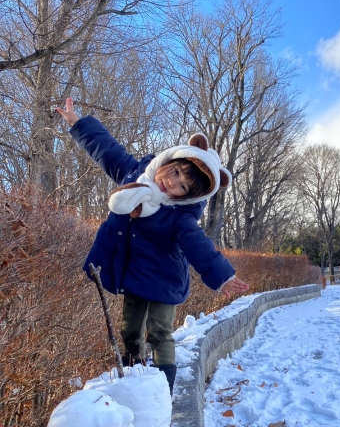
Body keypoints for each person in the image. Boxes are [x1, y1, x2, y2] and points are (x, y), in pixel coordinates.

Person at [57, 98, 249, 396]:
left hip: (166, 280)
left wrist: (222, 276)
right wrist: (76, 122)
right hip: (135, 275)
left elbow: (199, 246)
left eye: (183, 186)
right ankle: (135, 379)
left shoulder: (180, 216)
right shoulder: (134, 176)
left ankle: (162, 393)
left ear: (188, 196)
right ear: (167, 162)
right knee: (129, 331)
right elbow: (107, 149)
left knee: (159, 332)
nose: (172, 184)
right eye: (174, 173)